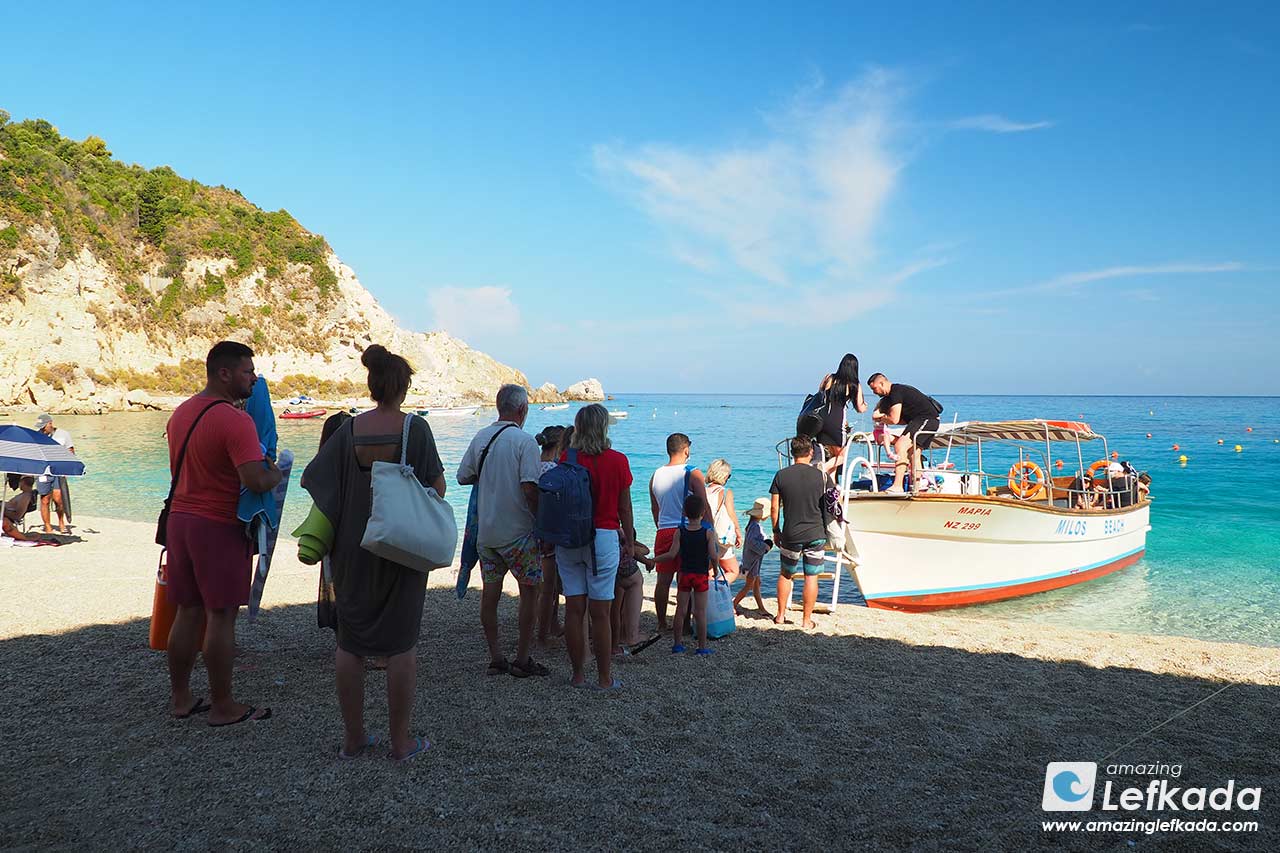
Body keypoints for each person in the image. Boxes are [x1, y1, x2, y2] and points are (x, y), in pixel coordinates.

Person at [302, 344, 445, 761]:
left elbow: (316, 479)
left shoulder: (347, 430)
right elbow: (436, 488)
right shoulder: (414, 430)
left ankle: (354, 739)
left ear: (372, 385)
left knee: (351, 642)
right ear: (403, 387)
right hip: (400, 546)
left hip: (353, 546)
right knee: (401, 644)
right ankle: (400, 743)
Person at [163, 341, 281, 727]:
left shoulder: (181, 413)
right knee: (221, 615)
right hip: (219, 525)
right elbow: (254, 478)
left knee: (187, 610)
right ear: (225, 373)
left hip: (181, 521)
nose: (254, 378)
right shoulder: (235, 420)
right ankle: (223, 705)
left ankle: (181, 698)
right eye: (248, 371)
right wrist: (277, 471)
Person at [457, 384, 546, 679]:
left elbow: (463, 476)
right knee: (529, 593)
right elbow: (529, 487)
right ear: (522, 410)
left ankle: (496, 656)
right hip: (519, 534)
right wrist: (541, 522)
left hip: (487, 533)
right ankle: (522, 657)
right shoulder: (525, 442)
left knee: (490, 596)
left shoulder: (481, 437)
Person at [557, 404, 635, 690]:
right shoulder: (617, 460)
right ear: (603, 427)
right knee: (601, 613)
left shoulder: (567, 457)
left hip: (569, 540)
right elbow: (624, 508)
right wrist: (629, 538)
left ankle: (577, 675)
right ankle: (604, 678)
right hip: (602, 537)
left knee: (574, 610)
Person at [649, 433, 715, 632]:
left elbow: (655, 508)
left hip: (663, 529)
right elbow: (704, 506)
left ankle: (661, 623)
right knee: (686, 577)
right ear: (686, 449)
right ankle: (685, 624)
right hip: (687, 529)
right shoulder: (692, 472)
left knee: (663, 580)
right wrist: (711, 532)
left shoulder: (656, 474)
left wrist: (660, 527)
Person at [771, 437, 828, 629]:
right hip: (816, 533)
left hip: (791, 533)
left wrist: (776, 530)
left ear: (792, 453)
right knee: (811, 577)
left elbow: (774, 508)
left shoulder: (781, 475)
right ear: (811, 452)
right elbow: (829, 504)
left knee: (786, 574)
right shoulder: (821, 476)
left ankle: (780, 616)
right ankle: (806, 620)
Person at [655, 493, 719, 655]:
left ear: (684, 513)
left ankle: (677, 644)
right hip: (700, 575)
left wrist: (653, 560)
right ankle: (702, 647)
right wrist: (716, 568)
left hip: (684, 574)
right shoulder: (708, 534)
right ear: (703, 513)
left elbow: (671, 554)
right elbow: (713, 555)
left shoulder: (680, 531)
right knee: (700, 611)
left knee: (680, 609)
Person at [867, 373, 941, 494]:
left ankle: (897, 486)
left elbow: (894, 419)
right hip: (924, 420)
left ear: (882, 383)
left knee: (900, 446)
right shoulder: (891, 397)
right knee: (914, 453)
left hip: (926, 419)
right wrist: (885, 418)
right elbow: (900, 420)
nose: (874, 392)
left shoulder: (896, 391)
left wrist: (880, 417)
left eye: (874, 388)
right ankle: (916, 487)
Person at [534, 425, 566, 646]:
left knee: (546, 587)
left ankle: (551, 625)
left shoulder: (531, 467)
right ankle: (543, 632)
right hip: (548, 534)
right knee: (549, 588)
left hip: (531, 530)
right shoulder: (554, 471)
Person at [814, 353, 868, 460]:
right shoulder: (854, 384)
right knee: (841, 456)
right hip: (836, 423)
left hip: (820, 421)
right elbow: (860, 408)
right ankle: (825, 468)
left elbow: (819, 395)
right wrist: (865, 406)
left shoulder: (829, 378)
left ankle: (829, 474)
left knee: (828, 456)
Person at [611, 531, 655, 654]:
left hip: (612, 569)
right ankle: (631, 636)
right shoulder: (620, 536)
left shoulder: (613, 534)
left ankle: (618, 636)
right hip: (625, 571)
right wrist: (648, 562)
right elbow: (637, 552)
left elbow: (644, 550)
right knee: (634, 583)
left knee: (615, 607)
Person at [33, 414, 74, 534]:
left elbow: (70, 450)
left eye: (43, 426)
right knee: (45, 499)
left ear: (50, 424)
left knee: (58, 498)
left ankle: (61, 523)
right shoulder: (37, 436)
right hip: (43, 471)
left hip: (58, 471)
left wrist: (68, 467)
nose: (41, 429)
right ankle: (48, 526)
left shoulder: (63, 434)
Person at [733, 497, 774, 615]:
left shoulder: (752, 524)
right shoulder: (756, 526)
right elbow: (752, 542)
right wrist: (766, 546)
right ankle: (733, 604)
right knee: (749, 586)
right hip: (752, 562)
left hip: (753, 560)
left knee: (757, 584)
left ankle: (761, 608)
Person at [704, 459, 742, 584]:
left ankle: (706, 596)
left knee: (709, 571)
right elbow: (731, 513)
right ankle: (718, 591)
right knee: (732, 570)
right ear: (724, 475)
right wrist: (738, 531)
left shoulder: (703, 491)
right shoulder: (725, 491)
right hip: (721, 537)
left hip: (705, 533)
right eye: (728, 475)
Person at [2, 476, 40, 541]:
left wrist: (2, 510)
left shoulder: (26, 497)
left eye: (19, 482)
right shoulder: (24, 494)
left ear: (22, 483)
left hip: (5, 513)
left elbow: (17, 516)